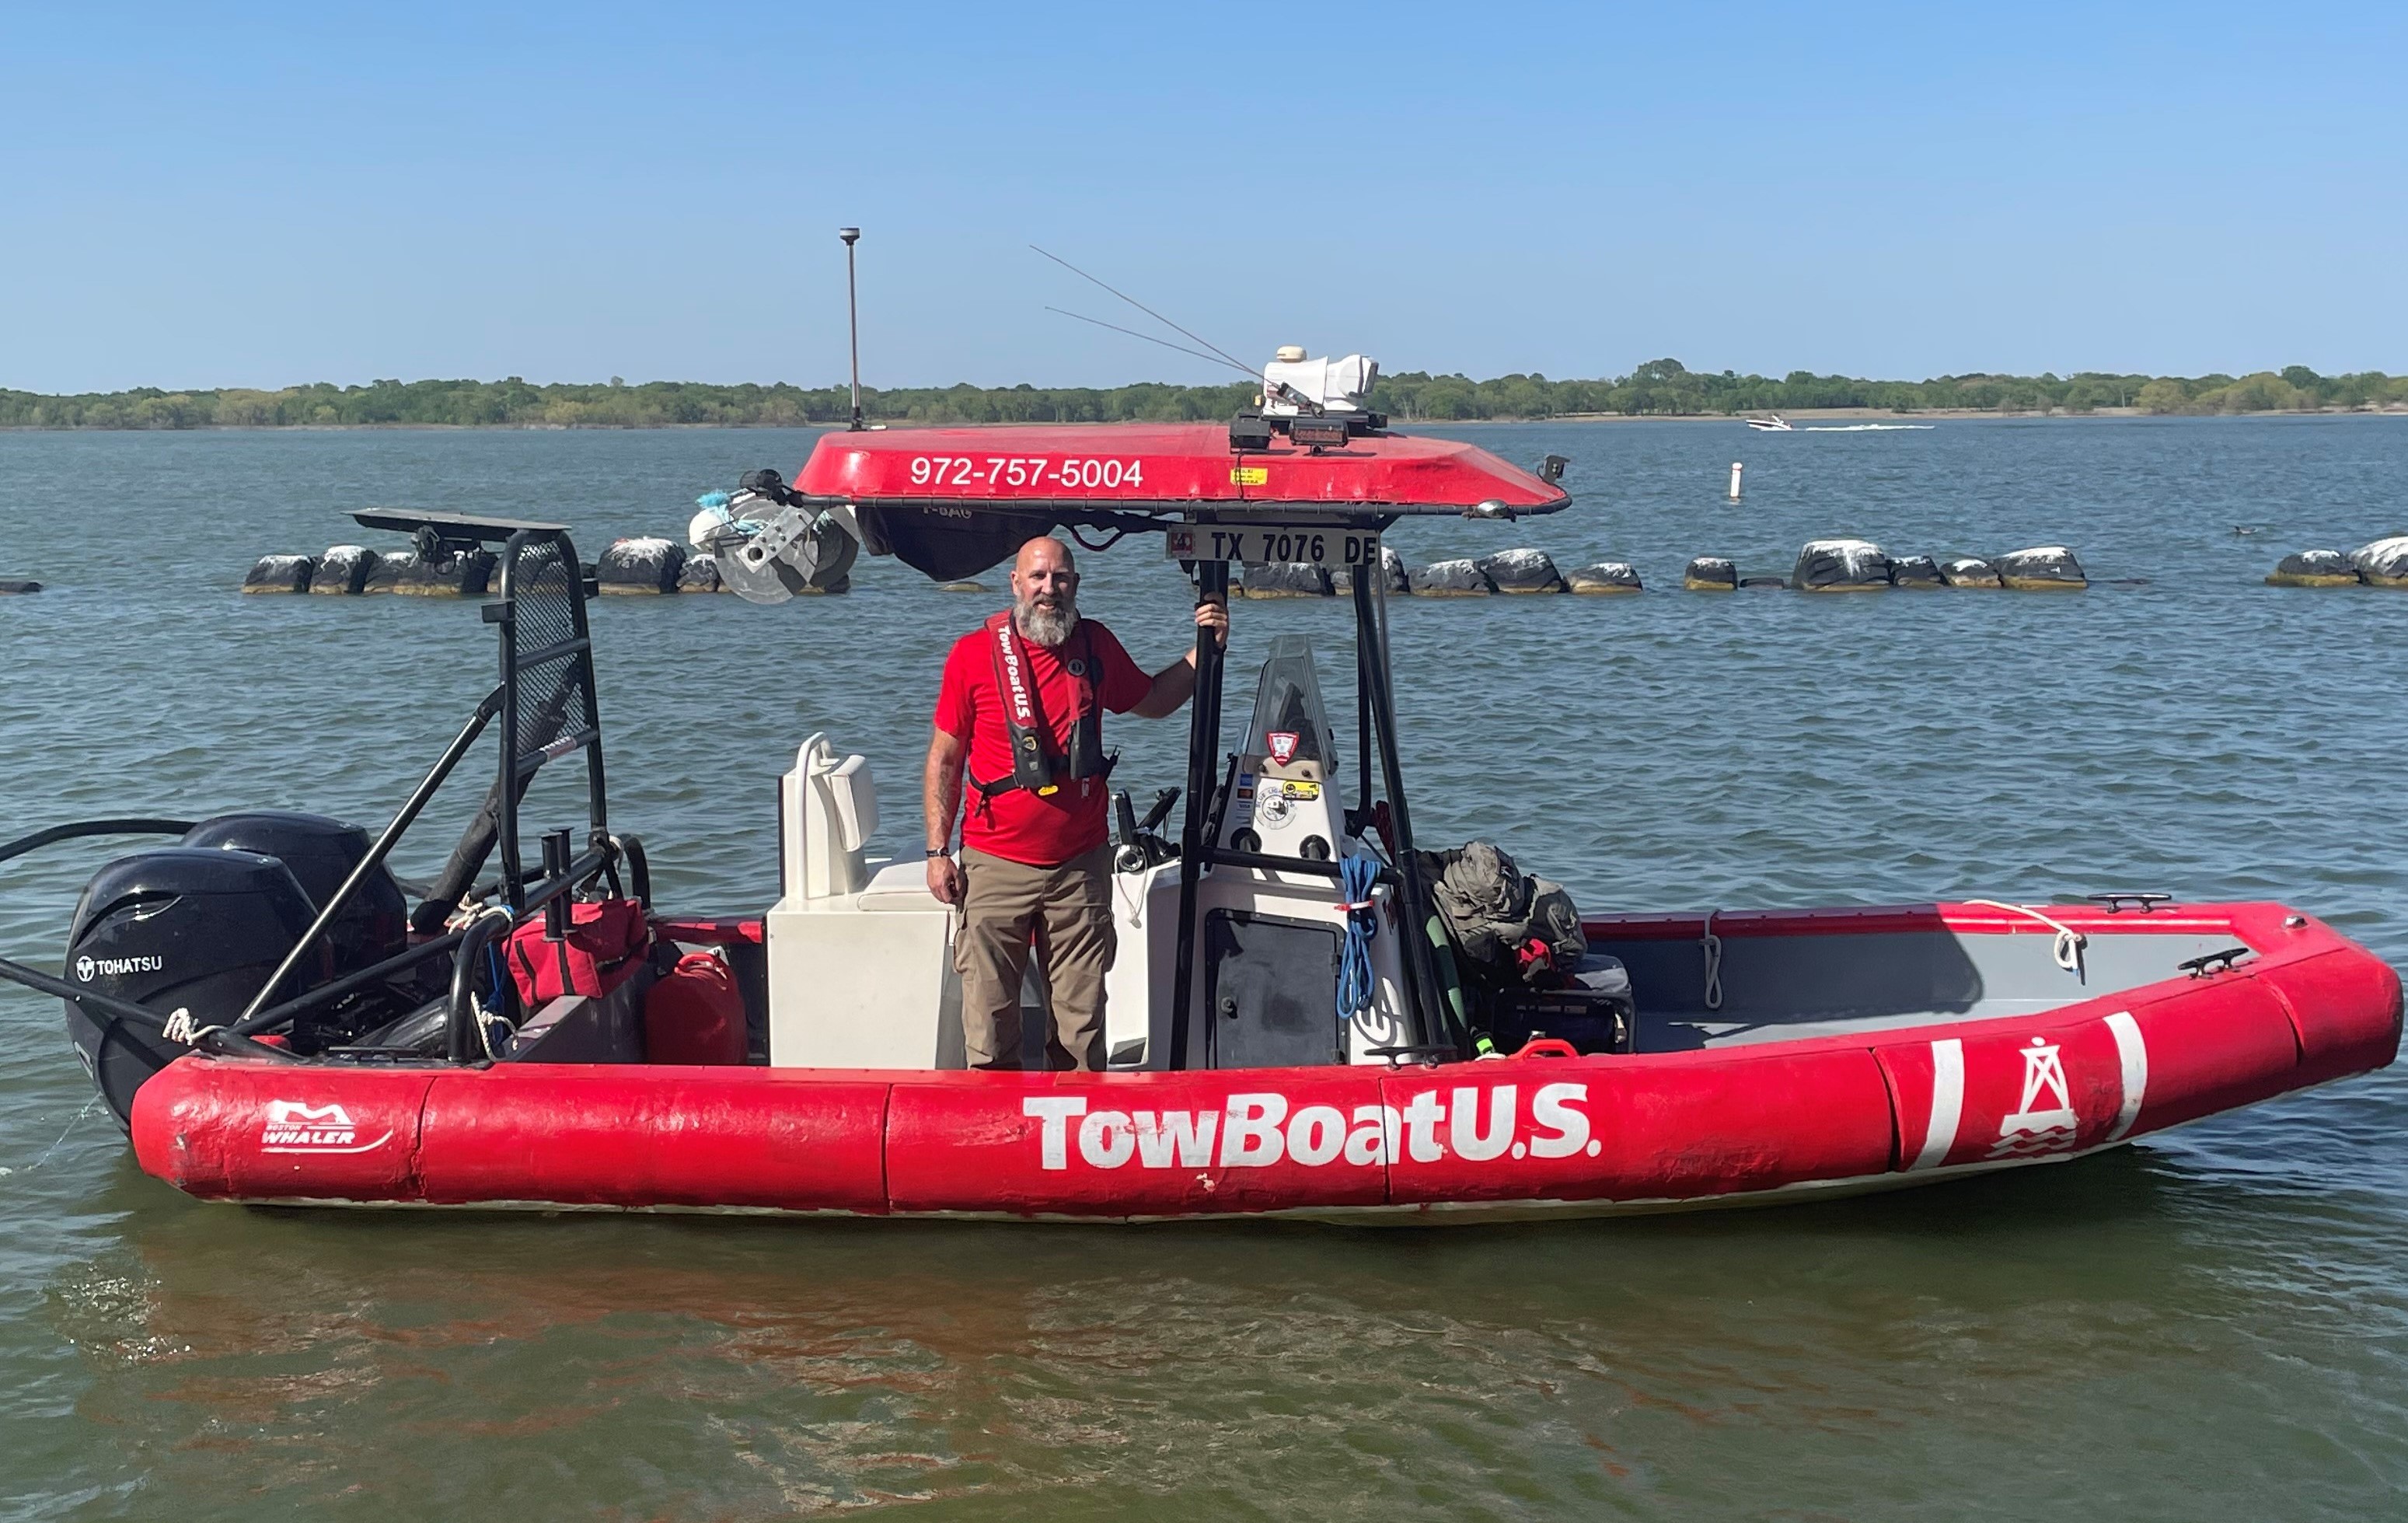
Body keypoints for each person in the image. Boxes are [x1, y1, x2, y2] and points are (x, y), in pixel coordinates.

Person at [924, 536, 1228, 1070]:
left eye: (1060, 578)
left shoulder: (1096, 646)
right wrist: (936, 851)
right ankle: (999, 1141)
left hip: (1080, 867)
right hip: (994, 866)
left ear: (1076, 585)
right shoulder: (971, 655)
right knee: (990, 1028)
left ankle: (1075, 1141)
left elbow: (1154, 700)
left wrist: (1206, 651)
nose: (1049, 589)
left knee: (1081, 1031)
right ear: (1016, 583)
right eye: (1038, 578)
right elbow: (945, 758)